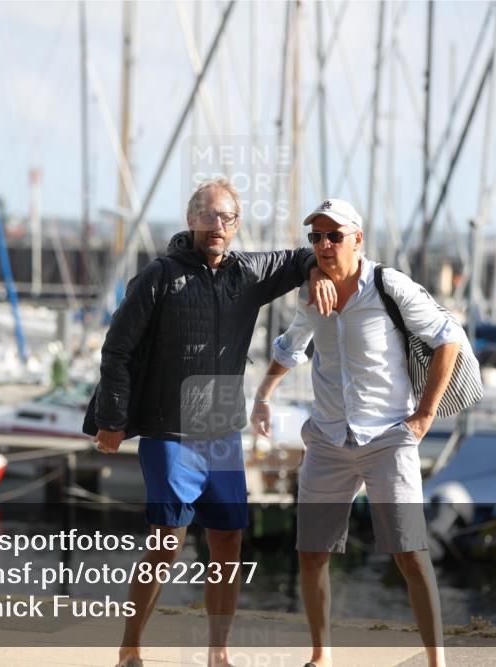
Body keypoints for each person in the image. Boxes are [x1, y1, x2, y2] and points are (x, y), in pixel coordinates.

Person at [93, 179, 336, 667]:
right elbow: (117, 350)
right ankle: (130, 646)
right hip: (170, 429)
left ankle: (218, 654)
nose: (217, 226)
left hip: (222, 430)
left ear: (237, 224)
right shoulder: (158, 277)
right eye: (208, 216)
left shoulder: (247, 273)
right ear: (191, 221)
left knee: (228, 543)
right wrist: (112, 419)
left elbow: (296, 259)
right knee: (167, 543)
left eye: (226, 218)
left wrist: (316, 270)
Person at [252, 199, 462, 667]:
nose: (324, 245)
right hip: (327, 438)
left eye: (334, 236)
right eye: (316, 237)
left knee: (410, 552)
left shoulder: (389, 286)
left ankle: (436, 661)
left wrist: (425, 416)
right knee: (311, 552)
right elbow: (292, 346)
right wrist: (264, 395)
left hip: (388, 437)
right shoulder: (314, 295)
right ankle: (321, 655)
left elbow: (447, 337)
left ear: (357, 239)